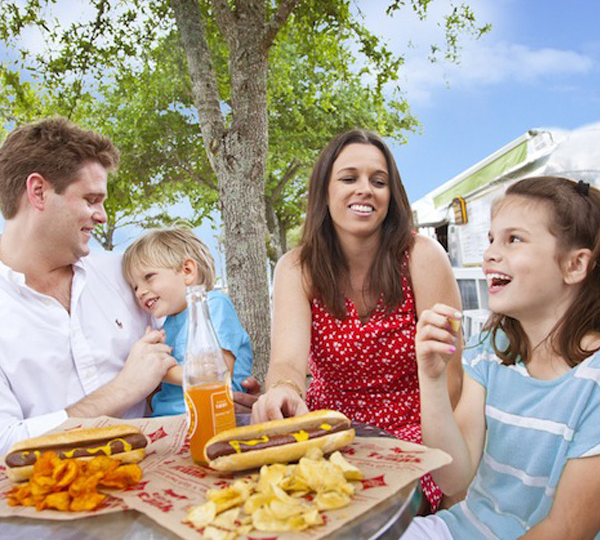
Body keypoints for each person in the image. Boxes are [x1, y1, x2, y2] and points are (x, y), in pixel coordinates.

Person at [251, 129, 463, 512]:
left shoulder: (422, 256)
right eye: (349, 178)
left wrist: (412, 450)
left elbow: (452, 381)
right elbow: (287, 361)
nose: (364, 189)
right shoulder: (296, 267)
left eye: (378, 181)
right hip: (328, 430)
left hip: (412, 436)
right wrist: (284, 390)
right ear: (324, 192)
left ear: (391, 196)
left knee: (360, 511)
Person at [403, 177, 600, 539]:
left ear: (575, 265)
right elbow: (453, 476)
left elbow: (567, 529)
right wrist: (431, 379)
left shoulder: (593, 382)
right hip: (461, 530)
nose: (490, 253)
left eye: (514, 239)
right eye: (492, 239)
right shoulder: (491, 350)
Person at [0, 117, 178, 455]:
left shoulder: (125, 274)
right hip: (45, 499)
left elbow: (179, 354)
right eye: (91, 199)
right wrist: (121, 391)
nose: (102, 215)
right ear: (38, 192)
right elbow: (5, 444)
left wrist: (225, 380)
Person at [121, 227, 253, 416]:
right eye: (135, 286)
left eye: (148, 277)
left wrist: (157, 370)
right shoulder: (167, 324)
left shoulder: (213, 305)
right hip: (165, 420)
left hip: (210, 417)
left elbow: (217, 373)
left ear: (187, 271)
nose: (140, 292)